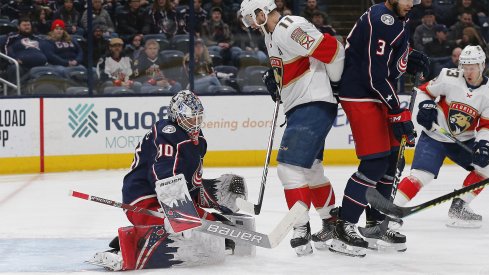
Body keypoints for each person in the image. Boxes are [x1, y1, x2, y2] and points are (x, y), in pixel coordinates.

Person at [89, 90, 248, 270]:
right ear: (176, 117)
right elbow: (163, 173)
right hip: (143, 200)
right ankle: (122, 248)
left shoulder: (199, 140)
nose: (195, 124)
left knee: (216, 227)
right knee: (189, 230)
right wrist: (176, 210)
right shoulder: (167, 132)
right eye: (190, 119)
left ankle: (184, 224)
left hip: (172, 199)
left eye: (198, 118)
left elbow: (191, 182)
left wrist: (215, 197)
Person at [239, 0, 345, 256]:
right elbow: (293, 65)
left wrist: (336, 85)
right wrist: (276, 81)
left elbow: (334, 50)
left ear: (262, 11)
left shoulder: (289, 27)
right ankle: (333, 222)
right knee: (311, 170)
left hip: (313, 102)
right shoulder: (271, 35)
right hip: (301, 105)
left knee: (289, 168)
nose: (251, 24)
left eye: (251, 18)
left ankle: (301, 227)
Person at [333, 0, 431, 257]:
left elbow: (386, 59)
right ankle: (344, 226)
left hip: (377, 93)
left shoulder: (398, 16)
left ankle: (375, 224)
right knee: (374, 163)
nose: (412, 3)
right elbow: (374, 75)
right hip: (361, 94)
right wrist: (398, 111)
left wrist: (407, 58)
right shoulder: (381, 19)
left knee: (391, 162)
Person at [394, 45, 488, 228]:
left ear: (482, 65)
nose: (468, 71)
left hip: (463, 140)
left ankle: (459, 207)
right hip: (434, 136)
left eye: (473, 67)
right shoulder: (449, 77)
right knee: (422, 175)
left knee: (486, 168)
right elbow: (423, 91)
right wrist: (426, 106)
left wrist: (483, 144)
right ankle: (391, 209)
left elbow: (486, 125)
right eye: (465, 66)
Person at [4, 17, 48, 82]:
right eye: (24, 25)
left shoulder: (38, 38)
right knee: (14, 68)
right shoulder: (13, 37)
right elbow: (7, 48)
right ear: (18, 27)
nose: (27, 27)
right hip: (22, 66)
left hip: (40, 65)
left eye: (28, 25)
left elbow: (47, 50)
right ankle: (15, 91)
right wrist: (13, 59)